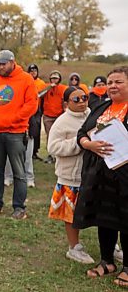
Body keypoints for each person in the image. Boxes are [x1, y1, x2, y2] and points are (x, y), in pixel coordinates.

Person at [74, 66, 128, 288]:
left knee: (126, 219)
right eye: (110, 82)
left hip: (125, 176)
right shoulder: (101, 107)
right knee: (103, 218)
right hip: (98, 174)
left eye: (119, 82)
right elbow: (82, 133)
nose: (113, 86)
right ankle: (107, 261)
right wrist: (89, 144)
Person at [0, 50, 38, 219]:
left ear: (13, 62)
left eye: (3, 64)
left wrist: (12, 119)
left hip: (16, 133)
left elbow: (31, 104)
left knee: (19, 172)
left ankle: (19, 207)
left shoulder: (26, 79)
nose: (0, 67)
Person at [47, 87, 94, 264]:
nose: (82, 102)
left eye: (84, 97)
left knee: (100, 210)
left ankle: (111, 245)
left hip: (93, 174)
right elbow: (53, 148)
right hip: (70, 177)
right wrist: (80, 142)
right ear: (66, 103)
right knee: (71, 215)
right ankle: (74, 247)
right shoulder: (62, 122)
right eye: (76, 99)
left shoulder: (93, 116)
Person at [41, 70, 68, 164]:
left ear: (59, 79)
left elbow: (66, 100)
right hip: (48, 116)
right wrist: (49, 87)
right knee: (49, 136)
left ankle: (59, 155)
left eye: (56, 78)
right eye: (52, 78)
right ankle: (50, 155)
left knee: (60, 136)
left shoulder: (63, 88)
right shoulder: (46, 87)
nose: (54, 80)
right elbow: (39, 95)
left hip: (59, 116)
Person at [26, 63, 47, 160]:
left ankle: (35, 151)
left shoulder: (41, 83)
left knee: (37, 130)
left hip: (37, 109)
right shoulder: (26, 81)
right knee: (29, 130)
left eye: (35, 71)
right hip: (27, 109)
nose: (33, 73)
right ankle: (28, 150)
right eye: (31, 71)